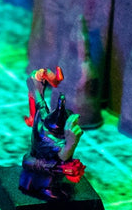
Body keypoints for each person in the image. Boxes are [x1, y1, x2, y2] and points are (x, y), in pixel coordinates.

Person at [20, 67, 85, 199]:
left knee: (60, 167)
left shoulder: (44, 118)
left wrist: (36, 80)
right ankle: (45, 188)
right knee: (56, 169)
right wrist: (72, 143)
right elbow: (63, 156)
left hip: (38, 158)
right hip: (38, 164)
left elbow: (39, 100)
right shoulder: (50, 139)